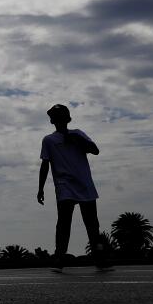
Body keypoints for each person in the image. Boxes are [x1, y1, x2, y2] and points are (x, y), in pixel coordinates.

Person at [37, 104, 111, 272]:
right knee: (64, 222)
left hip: (84, 184)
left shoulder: (78, 134)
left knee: (92, 224)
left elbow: (95, 150)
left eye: (61, 116)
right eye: (55, 117)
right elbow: (45, 165)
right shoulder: (48, 140)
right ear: (52, 120)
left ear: (67, 118)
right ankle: (59, 258)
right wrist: (41, 188)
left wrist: (78, 140)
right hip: (65, 185)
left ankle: (99, 259)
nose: (58, 120)